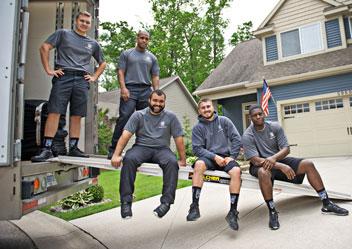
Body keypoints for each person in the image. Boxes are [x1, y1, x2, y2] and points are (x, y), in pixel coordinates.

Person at [242, 104, 349, 230]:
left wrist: (274, 159)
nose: (258, 117)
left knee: (308, 164)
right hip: (259, 165)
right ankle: (272, 211)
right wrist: (280, 166)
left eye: (260, 114)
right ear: (250, 118)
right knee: (264, 173)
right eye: (255, 115)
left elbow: (286, 149)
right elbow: (255, 160)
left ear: (264, 113)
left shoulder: (274, 126)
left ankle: (326, 202)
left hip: (276, 159)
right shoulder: (248, 135)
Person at [31, 11, 106, 162]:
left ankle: (73, 148)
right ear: (76, 21)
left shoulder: (93, 44)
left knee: (76, 115)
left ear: (90, 25)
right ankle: (46, 149)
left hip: (81, 80)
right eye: (82, 21)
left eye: (87, 22)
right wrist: (49, 70)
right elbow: (44, 47)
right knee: (55, 112)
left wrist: (94, 77)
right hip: (63, 76)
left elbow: (102, 63)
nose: (84, 24)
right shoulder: (63, 34)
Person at [111, 90, 186, 219]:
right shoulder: (138, 115)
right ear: (149, 101)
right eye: (155, 100)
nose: (158, 103)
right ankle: (126, 202)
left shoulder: (171, 117)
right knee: (129, 159)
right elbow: (125, 135)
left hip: (162, 149)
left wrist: (182, 159)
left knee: (172, 163)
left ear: (164, 103)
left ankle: (166, 203)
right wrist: (116, 155)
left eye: (161, 101)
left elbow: (178, 138)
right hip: (141, 147)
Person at [186, 98, 242, 231]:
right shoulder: (197, 128)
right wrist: (214, 157)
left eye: (208, 106)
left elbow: (236, 139)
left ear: (213, 107)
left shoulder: (224, 121)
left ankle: (233, 212)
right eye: (203, 107)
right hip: (209, 158)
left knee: (236, 172)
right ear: (199, 110)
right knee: (199, 165)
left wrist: (232, 157)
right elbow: (197, 149)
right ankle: (194, 206)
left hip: (225, 157)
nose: (206, 109)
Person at [108, 30, 160, 159]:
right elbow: (120, 72)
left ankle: (144, 151)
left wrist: (156, 93)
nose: (144, 40)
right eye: (142, 38)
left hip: (146, 91)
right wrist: (123, 88)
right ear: (137, 38)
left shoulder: (152, 57)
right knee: (124, 118)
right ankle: (114, 149)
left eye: (146, 39)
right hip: (130, 89)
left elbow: (155, 76)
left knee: (145, 121)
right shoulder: (127, 54)